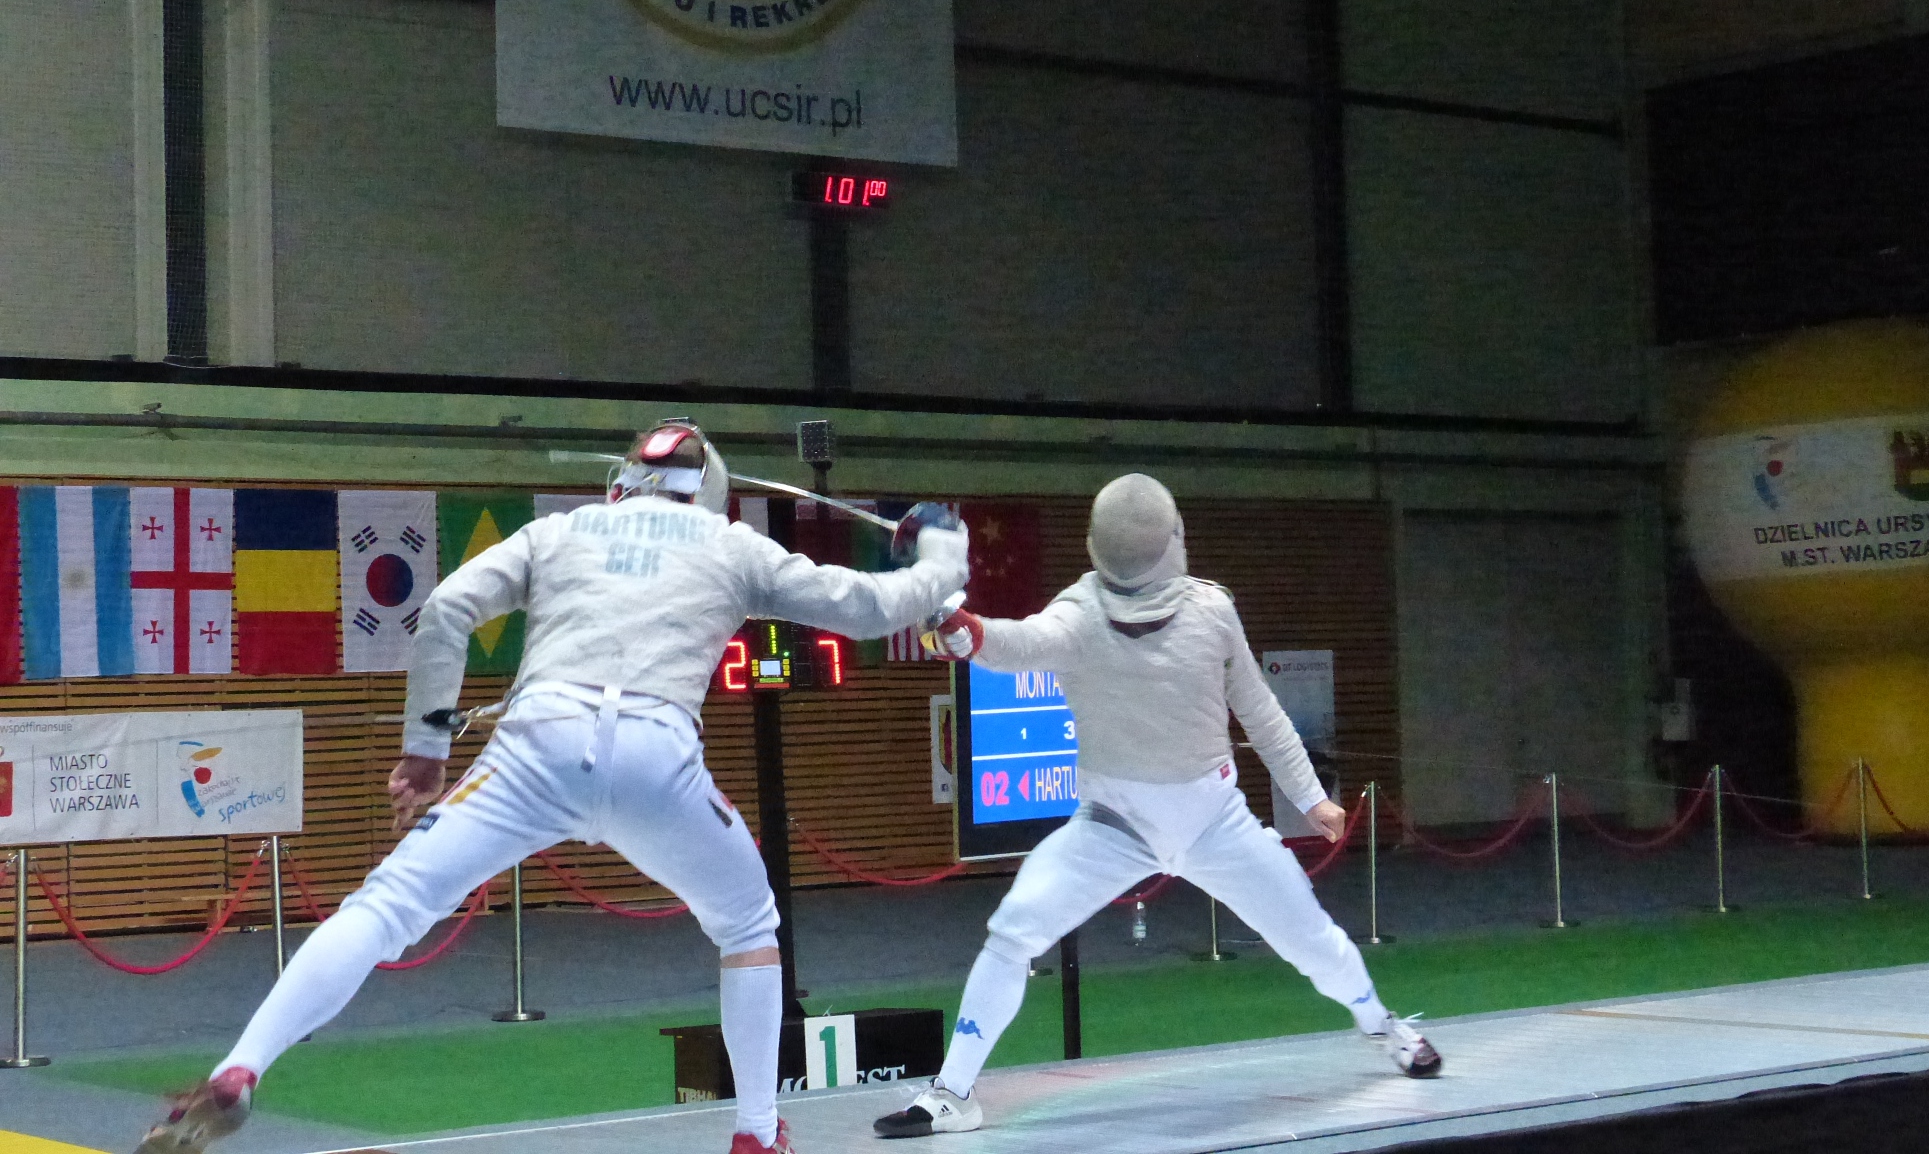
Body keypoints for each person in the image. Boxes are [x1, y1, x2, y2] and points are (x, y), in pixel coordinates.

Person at [135, 420, 969, 1154]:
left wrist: (425, 749)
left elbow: (445, 611)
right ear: (706, 494)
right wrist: (943, 553)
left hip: (535, 745)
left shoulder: (560, 531)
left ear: (621, 482)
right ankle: (756, 1133)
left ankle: (241, 1067)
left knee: (386, 907)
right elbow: (872, 608)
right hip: (656, 757)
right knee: (748, 923)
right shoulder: (731, 546)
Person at [874, 474, 1438, 1139]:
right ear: (1175, 540)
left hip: (1215, 823)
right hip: (1111, 828)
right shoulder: (1081, 614)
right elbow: (1013, 643)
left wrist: (1311, 796)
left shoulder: (1210, 611)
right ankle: (952, 1093)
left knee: (1312, 941)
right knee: (1014, 931)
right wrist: (964, 631)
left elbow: (1259, 710)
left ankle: (1382, 1026)